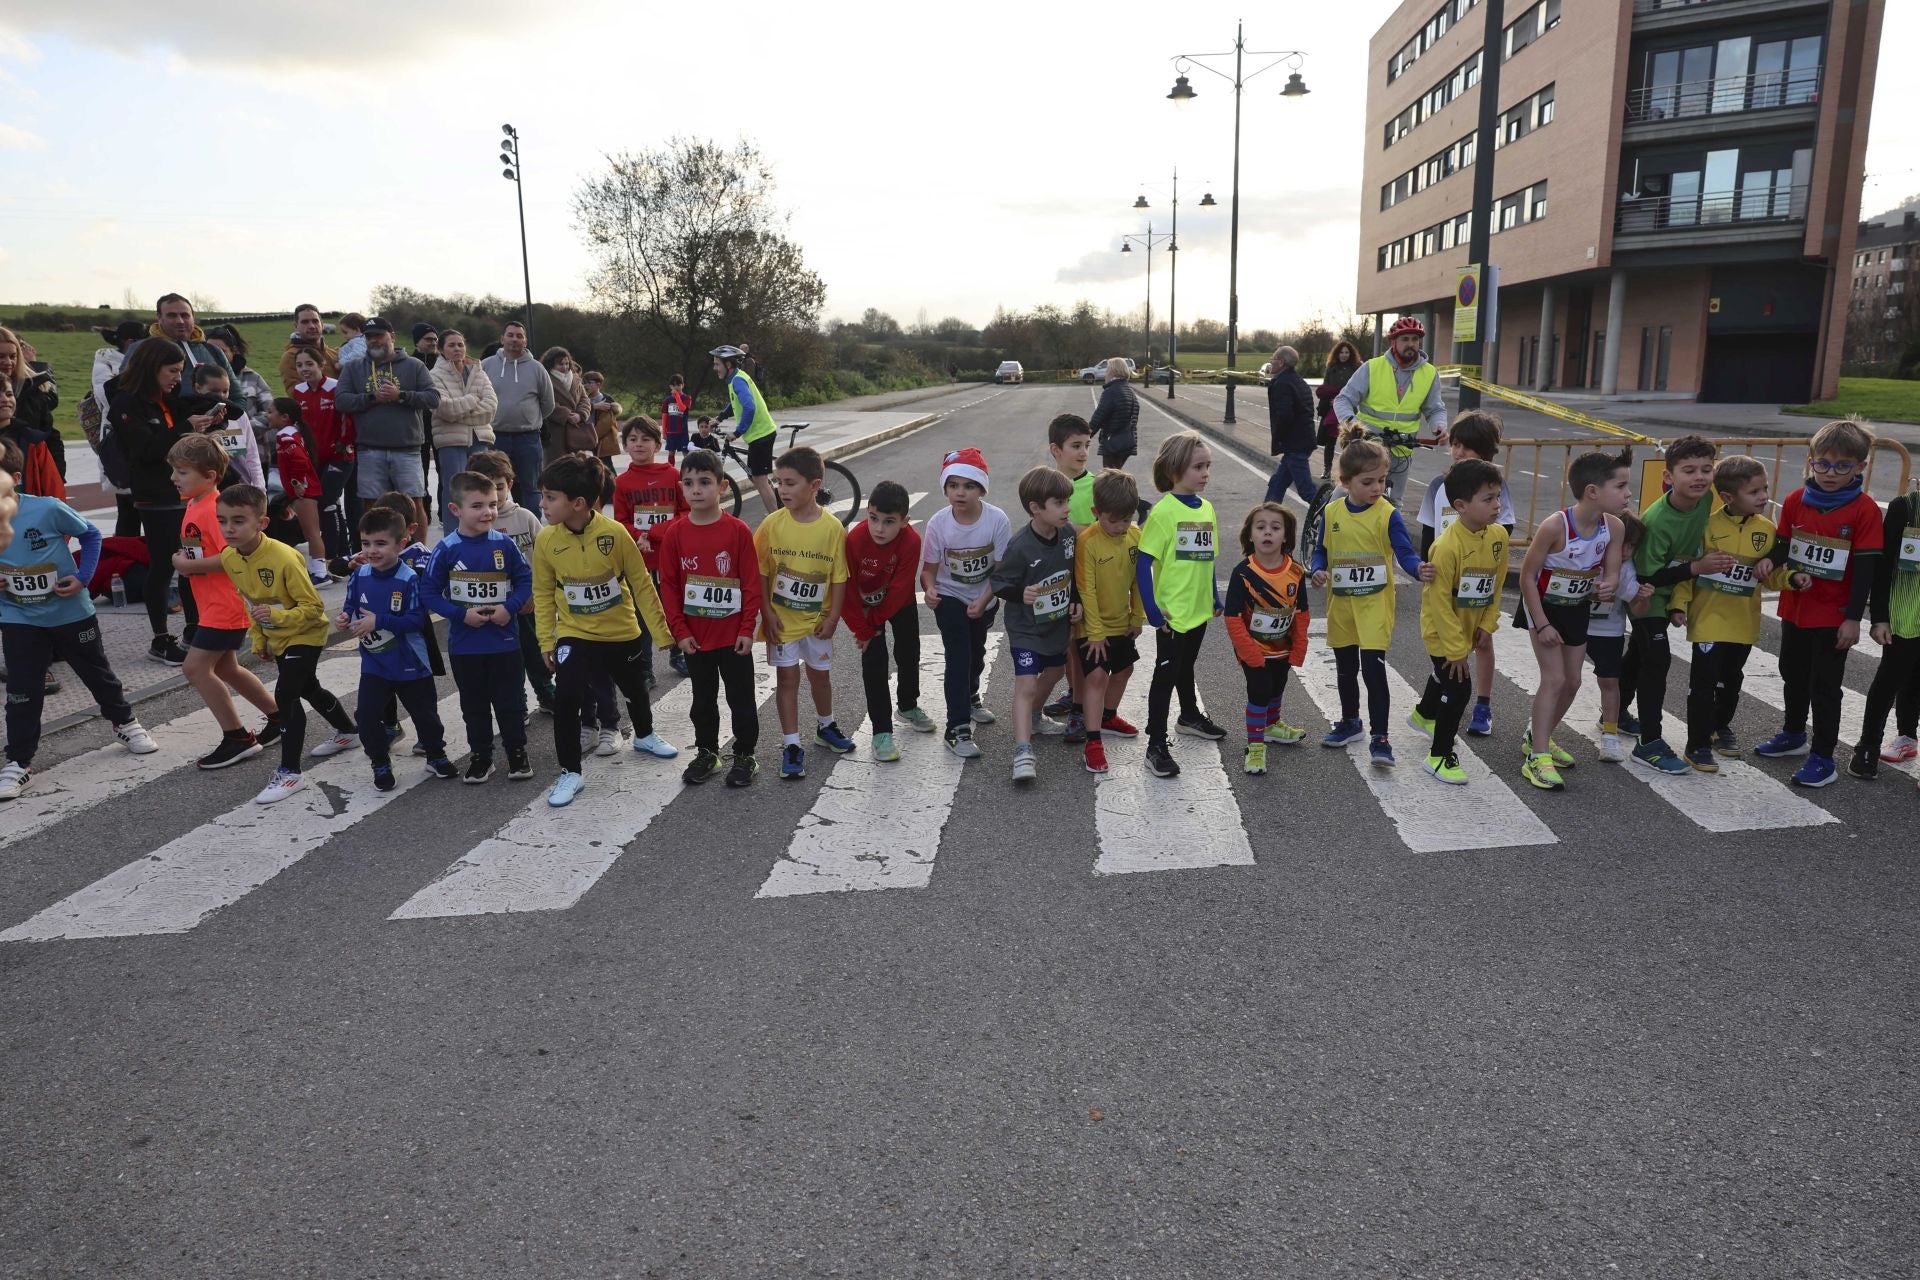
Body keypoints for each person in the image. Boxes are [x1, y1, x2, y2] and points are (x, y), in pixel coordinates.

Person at [0, 439, 157, 801]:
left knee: (96, 674)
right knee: (23, 689)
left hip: (70, 612)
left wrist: (84, 577)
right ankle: (19, 762)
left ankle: (125, 722)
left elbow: (89, 535)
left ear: (17, 479)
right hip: (19, 615)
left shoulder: (47, 509)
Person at [531, 453, 678, 808]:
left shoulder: (615, 534)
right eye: (543, 496)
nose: (543, 504)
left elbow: (642, 583)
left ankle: (644, 735)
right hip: (574, 633)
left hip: (620, 631)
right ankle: (571, 771)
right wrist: (546, 641)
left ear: (578, 503)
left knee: (635, 689)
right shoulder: (547, 540)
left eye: (551, 497)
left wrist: (662, 634)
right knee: (566, 698)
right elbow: (542, 592)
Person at [1753, 418, 1885, 787]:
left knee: (1824, 687)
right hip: (1796, 607)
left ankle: (1823, 757)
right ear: (1811, 461)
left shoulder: (1864, 510)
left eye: (1842, 466)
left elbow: (1865, 570)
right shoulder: (1796, 500)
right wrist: (1771, 561)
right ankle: (1794, 734)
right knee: (1792, 675)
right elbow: (1783, 544)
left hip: (1833, 614)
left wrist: (1852, 619)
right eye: (1822, 463)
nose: (1830, 473)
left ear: (1861, 467)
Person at [215, 484, 360, 804]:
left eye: (238, 521)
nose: (229, 529)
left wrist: (276, 620)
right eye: (222, 520)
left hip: (306, 634)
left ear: (262, 523)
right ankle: (349, 732)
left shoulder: (285, 557)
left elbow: (313, 608)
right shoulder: (229, 557)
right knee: (309, 688)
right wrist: (260, 637)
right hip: (278, 636)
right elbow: (251, 601)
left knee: (286, 694)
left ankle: (290, 773)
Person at [1668, 457, 1801, 774]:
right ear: (1728, 497)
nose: (1763, 496)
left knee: (1731, 681)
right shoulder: (1707, 527)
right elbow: (1689, 571)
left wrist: (1791, 579)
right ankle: (1697, 744)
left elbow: (1770, 577)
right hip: (1709, 621)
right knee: (1703, 683)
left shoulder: (1767, 532)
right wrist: (1678, 604)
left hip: (1743, 623)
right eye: (1754, 491)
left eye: (1765, 488)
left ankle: (1719, 726)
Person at [1310, 430, 1434, 765]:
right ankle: (1350, 721)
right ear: (1346, 481)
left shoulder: (1387, 514)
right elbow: (1320, 552)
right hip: (1343, 606)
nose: (1378, 488)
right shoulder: (1332, 513)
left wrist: (1418, 569)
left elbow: (1404, 553)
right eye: (1368, 482)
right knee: (1346, 669)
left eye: (1381, 480)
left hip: (1375, 605)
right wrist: (1317, 570)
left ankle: (1381, 738)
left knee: (1373, 670)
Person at [1514, 450, 1630, 791]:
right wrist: (1542, 623)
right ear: (1593, 491)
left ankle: (1540, 734)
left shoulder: (1614, 527)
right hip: (1543, 609)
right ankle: (1536, 757)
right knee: (1554, 679)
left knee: (1574, 682)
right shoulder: (1555, 526)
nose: (1628, 494)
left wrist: (1605, 587)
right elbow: (1527, 577)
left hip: (1577, 609)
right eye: (1621, 486)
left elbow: (1609, 575)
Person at [163, 434, 281, 769]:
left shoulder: (215, 510)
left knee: (195, 668)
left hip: (225, 606)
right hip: (211, 605)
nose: (174, 478)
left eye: (182, 472)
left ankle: (238, 738)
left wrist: (188, 565)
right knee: (227, 668)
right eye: (174, 471)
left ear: (210, 476)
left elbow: (233, 554)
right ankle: (279, 717)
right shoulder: (195, 504)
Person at [421, 470, 535, 785]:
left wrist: (509, 608)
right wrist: (460, 615)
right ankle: (482, 757)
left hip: (505, 642)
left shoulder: (505, 545)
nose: (487, 512)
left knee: (510, 702)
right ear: (455, 510)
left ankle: (517, 753)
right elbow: (429, 593)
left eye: (492, 504)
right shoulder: (446, 549)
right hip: (465, 645)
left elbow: (525, 580)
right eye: (477, 506)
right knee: (474, 706)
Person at [657, 449, 763, 788]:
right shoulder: (675, 534)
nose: (696, 490)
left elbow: (750, 583)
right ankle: (707, 752)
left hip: (733, 638)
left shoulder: (738, 532)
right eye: (688, 483)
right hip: (696, 639)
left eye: (705, 482)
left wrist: (747, 628)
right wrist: (679, 630)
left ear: (722, 488)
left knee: (741, 699)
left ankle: (745, 754)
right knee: (702, 701)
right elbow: (669, 587)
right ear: (681, 488)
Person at [338, 506, 458, 792]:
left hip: (410, 662)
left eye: (381, 544)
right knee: (366, 715)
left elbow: (417, 620)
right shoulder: (359, 575)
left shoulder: (409, 579)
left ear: (400, 543)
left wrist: (379, 620)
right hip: (376, 664)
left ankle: (435, 754)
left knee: (425, 714)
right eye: (366, 543)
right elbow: (352, 605)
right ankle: (379, 761)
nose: (372, 551)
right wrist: (345, 617)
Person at [1622, 436, 1722, 775]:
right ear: (1668, 478)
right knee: (1656, 659)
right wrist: (1695, 568)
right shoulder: (1658, 520)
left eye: (1706, 470)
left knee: (1638, 654)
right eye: (1689, 470)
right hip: (1645, 597)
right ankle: (1649, 742)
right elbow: (1647, 576)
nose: (1699, 477)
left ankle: (1617, 713)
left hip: (1674, 593)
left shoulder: (1708, 498)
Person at [1406, 460, 1509, 785]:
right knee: (1459, 687)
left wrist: (1487, 623)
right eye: (1488, 499)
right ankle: (1439, 755)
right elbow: (1437, 602)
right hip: (1442, 631)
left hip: (1470, 625)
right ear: (1461, 506)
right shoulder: (1447, 546)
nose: (1497, 505)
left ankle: (1424, 713)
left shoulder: (1498, 537)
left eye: (1497, 496)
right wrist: (1454, 650)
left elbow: (1497, 584)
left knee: (1445, 677)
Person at [1415, 410, 1515, 739]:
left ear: (1484, 455)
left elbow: (1504, 528)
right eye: (1455, 445)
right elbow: (1429, 531)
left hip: (1477, 584)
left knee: (1480, 644)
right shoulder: (1437, 486)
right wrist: (1425, 566)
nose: (1458, 452)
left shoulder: (1493, 490)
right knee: (1449, 658)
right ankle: (1433, 726)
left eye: (1467, 448)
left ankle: (1483, 704)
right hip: (1446, 579)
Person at [755, 445, 853, 779]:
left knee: (820, 676)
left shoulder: (832, 529)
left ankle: (825, 727)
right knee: (787, 679)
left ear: (815, 485)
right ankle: (792, 744)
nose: (781, 489)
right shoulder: (770, 525)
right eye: (778, 482)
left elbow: (839, 577)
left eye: (790, 483)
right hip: (782, 623)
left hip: (817, 622)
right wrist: (766, 612)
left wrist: (833, 617)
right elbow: (760, 573)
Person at [105, 337, 204, 664]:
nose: (178, 377)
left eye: (180, 370)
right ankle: (161, 639)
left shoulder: (168, 399)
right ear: (152, 368)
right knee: (164, 565)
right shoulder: (126, 403)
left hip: (185, 491)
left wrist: (210, 416)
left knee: (191, 561)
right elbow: (146, 451)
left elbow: (185, 421)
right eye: (172, 371)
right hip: (156, 496)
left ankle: (194, 628)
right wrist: (185, 429)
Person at [1137, 432, 1227, 779]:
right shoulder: (1163, 513)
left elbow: (1209, 557)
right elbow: (1143, 563)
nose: (1205, 473)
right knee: (1165, 675)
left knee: (1186, 665)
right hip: (1172, 614)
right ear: (1175, 469)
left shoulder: (1207, 508)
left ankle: (1188, 715)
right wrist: (1152, 609)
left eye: (1208, 466)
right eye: (1198, 467)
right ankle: (1155, 744)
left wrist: (1214, 596)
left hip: (1198, 608)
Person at [991, 467, 1079, 786]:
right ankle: (1023, 751)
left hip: (1056, 627)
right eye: (1059, 502)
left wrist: (1077, 600)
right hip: (1026, 630)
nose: (1067, 508)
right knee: (1026, 684)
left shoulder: (1068, 535)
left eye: (1067, 500)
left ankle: (1034, 716)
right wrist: (1020, 593)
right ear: (1035, 508)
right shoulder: (1020, 546)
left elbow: (1074, 573)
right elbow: (999, 583)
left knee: (1055, 671)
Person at [920, 448, 1010, 759]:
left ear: (981, 489)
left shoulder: (996, 520)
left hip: (984, 598)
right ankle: (956, 728)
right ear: (945, 488)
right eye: (953, 485)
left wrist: (986, 598)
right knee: (958, 656)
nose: (960, 493)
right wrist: (930, 591)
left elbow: (1001, 571)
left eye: (969, 486)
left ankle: (971, 697)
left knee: (977, 653)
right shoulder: (938, 523)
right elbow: (929, 571)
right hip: (951, 597)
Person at [845, 480, 930, 764]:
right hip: (865, 608)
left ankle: (907, 706)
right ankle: (881, 732)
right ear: (867, 513)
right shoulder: (855, 540)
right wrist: (864, 629)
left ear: (905, 521)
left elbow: (900, 588)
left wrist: (878, 621)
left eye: (889, 522)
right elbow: (845, 590)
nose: (879, 528)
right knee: (875, 665)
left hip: (898, 603)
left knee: (909, 653)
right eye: (874, 519)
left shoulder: (912, 541)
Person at [1224, 501, 1311, 778]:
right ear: (1250, 535)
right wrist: (1248, 651)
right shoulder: (1243, 572)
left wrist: (1299, 647)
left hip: (1281, 648)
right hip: (1254, 650)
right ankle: (1255, 745)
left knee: (1278, 685)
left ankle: (1272, 726)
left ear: (1286, 536)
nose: (1267, 533)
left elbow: (1302, 612)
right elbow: (1232, 617)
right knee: (1260, 691)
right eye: (1260, 527)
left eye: (1275, 527)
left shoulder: (1295, 571)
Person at [465, 449, 553, 714]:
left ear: (510, 485)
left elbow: (542, 558)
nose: (494, 495)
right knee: (506, 660)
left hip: (526, 603)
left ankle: (546, 693)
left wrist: (535, 594)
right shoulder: (473, 522)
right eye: (484, 488)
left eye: (499, 487)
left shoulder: (524, 517)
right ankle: (517, 705)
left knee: (535, 651)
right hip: (494, 606)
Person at [1072, 470, 1146, 774]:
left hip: (1121, 622)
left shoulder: (1136, 536)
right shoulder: (1087, 541)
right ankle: (1093, 741)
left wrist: (1137, 616)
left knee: (1125, 669)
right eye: (1113, 520)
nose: (1120, 527)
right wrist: (1096, 634)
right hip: (1091, 627)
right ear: (1095, 513)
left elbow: (1139, 582)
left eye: (1126, 519)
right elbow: (1085, 588)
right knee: (1097, 677)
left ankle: (1108, 716)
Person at [335, 318, 437, 533]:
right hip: (369, 449)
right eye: (369, 337)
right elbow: (341, 401)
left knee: (415, 503)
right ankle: (375, 554)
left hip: (407, 449)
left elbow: (433, 398)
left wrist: (400, 396)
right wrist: (372, 398)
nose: (374, 341)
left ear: (392, 336)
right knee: (372, 505)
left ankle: (420, 555)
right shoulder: (353, 367)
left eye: (379, 335)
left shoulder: (414, 365)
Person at [1333, 315, 1448, 504]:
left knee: (1394, 503)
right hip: (1369, 444)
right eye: (1405, 339)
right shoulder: (1372, 367)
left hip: (1402, 449)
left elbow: (1435, 408)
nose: (1410, 344)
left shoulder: (1429, 373)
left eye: (1415, 339)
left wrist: (1440, 426)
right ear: (1393, 341)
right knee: (1347, 493)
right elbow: (1343, 400)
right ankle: (1326, 524)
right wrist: (1352, 423)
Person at [612, 417, 689, 678]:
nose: (639, 444)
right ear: (625, 446)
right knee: (642, 612)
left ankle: (679, 653)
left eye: (645, 439)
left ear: (658, 445)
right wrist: (639, 536)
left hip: (670, 556)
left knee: (674, 606)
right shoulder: (622, 483)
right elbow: (621, 520)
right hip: (640, 558)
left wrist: (652, 533)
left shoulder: (673, 475)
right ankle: (645, 667)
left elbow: (685, 512)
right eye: (632, 439)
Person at [1855, 478, 1920, 779]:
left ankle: (1908, 735)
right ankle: (1868, 747)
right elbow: (1881, 567)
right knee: (1890, 680)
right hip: (1905, 614)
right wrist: (1879, 616)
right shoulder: (1904, 508)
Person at [1585, 513, 1653, 763]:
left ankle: (1610, 735)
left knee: (1610, 681)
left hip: (1608, 630)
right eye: (1621, 542)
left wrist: (1643, 598)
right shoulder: (1586, 557)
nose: (1625, 550)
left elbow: (1637, 608)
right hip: (1575, 627)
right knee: (1561, 682)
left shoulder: (1626, 568)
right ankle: (1539, 730)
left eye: (1632, 545)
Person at [1044, 412, 1095, 739]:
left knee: (1079, 645)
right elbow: (1042, 528)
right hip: (1055, 577)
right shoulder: (1045, 484)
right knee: (1060, 646)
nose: (1083, 452)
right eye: (1075, 445)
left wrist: (1072, 529)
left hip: (1087, 578)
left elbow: (1106, 528)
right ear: (1055, 449)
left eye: (1087, 445)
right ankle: (1071, 693)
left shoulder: (1096, 485)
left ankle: (1079, 707)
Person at [288, 347, 355, 567]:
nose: (304, 369)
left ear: (321, 365)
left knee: (325, 500)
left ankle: (333, 554)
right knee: (327, 503)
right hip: (314, 459)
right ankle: (341, 553)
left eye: (309, 364)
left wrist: (343, 444)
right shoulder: (298, 391)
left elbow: (347, 420)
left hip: (340, 457)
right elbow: (298, 424)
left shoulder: (336, 388)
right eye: (299, 365)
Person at [427, 329, 498, 533]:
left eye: (460, 344)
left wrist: (462, 410)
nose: (457, 348)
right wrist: (472, 400)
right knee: (455, 492)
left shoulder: (478, 370)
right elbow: (445, 409)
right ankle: (453, 537)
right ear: (441, 350)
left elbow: (491, 407)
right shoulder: (433, 375)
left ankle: (481, 533)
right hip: (451, 442)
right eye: (451, 345)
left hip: (480, 439)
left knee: (482, 490)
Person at [483, 322, 554, 511]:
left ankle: (532, 531)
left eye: (519, 336)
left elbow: (548, 404)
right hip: (495, 438)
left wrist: (529, 419)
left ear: (525, 341)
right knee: (493, 487)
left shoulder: (537, 369)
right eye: (510, 335)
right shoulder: (486, 365)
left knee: (531, 488)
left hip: (528, 439)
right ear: (502, 339)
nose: (515, 339)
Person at [89, 320, 147, 536]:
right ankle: (126, 561)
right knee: (127, 509)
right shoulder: (105, 362)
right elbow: (107, 396)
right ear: (131, 342)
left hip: (143, 435)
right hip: (118, 435)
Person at [266, 396, 332, 583]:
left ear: (284, 417)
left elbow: (300, 460)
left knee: (311, 532)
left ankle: (320, 573)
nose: (267, 415)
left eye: (271, 412)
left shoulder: (285, 436)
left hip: (304, 491)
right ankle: (316, 570)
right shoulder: (293, 432)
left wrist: (297, 484)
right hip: (306, 489)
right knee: (311, 531)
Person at [711, 344, 780, 514]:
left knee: (759, 479)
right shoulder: (735, 379)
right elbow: (735, 403)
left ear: (728, 365)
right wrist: (720, 417)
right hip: (759, 434)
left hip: (761, 434)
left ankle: (776, 520)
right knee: (755, 477)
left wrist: (737, 432)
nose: (714, 368)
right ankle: (777, 505)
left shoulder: (738, 380)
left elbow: (749, 407)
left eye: (717, 364)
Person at [178, 364, 264, 489]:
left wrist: (259, 487)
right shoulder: (191, 417)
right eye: (214, 391)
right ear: (198, 387)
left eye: (225, 391)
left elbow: (251, 454)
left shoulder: (238, 415)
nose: (221, 396)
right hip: (206, 489)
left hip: (241, 489)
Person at [0, 325, 64, 484]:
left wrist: (57, 478)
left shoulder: (33, 390)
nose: (8, 362)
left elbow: (49, 435)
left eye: (13, 356)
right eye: (1, 356)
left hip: (28, 479)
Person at [126, 293, 236, 384]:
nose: (180, 321)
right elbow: (126, 390)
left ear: (193, 316)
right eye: (172, 315)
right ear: (159, 318)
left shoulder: (213, 351)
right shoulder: (140, 349)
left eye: (185, 315)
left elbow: (236, 395)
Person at [203, 325, 275, 462]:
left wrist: (241, 430)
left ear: (233, 351)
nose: (215, 356)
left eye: (221, 351)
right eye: (209, 351)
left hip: (254, 457)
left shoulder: (253, 378)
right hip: (213, 460)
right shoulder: (197, 380)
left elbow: (271, 413)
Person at [1263, 346, 1316, 507]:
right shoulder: (1297, 380)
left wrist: (1278, 437)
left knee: (1306, 490)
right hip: (1302, 440)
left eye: (1273, 358)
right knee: (1277, 484)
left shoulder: (1283, 384)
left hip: (1295, 443)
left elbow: (1284, 415)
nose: (1271, 362)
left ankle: (1331, 515)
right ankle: (1267, 515)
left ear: (1281, 362)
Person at [0, 384, 62, 511]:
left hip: (26, 519)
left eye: (9, 394)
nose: (5, 399)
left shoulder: (33, 441)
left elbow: (52, 487)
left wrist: (58, 524)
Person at [1316, 340, 1362, 480]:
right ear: (1337, 353)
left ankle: (1348, 470)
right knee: (1330, 441)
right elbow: (1325, 387)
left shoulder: (1356, 368)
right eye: (1341, 352)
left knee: (1349, 441)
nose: (1344, 355)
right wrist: (1330, 399)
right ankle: (1327, 469)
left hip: (1349, 410)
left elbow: (1359, 389)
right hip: (1331, 409)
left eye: (1347, 352)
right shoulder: (1331, 367)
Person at [539, 348, 593, 465]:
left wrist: (580, 415)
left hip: (576, 431)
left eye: (567, 363)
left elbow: (585, 400)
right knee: (556, 467)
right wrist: (566, 415)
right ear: (551, 364)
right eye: (560, 364)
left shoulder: (576, 379)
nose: (564, 367)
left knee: (577, 466)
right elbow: (545, 401)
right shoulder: (544, 379)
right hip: (554, 432)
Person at [1087, 357, 1140, 473]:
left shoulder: (1111, 392)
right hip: (1128, 442)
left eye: (1107, 371)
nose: (1105, 374)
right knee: (1116, 474)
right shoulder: (1130, 392)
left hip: (1112, 443)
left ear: (1112, 372)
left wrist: (1085, 437)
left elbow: (1098, 417)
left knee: (1109, 477)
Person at [278, 303, 339, 394]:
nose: (311, 326)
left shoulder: (335, 354)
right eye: (305, 322)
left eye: (315, 321)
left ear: (322, 325)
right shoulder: (291, 356)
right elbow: (296, 394)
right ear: (296, 326)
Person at [660, 374, 691, 465]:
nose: (676, 387)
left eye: (678, 384)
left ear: (682, 385)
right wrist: (664, 432)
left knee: (685, 453)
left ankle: (687, 470)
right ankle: (671, 470)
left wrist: (677, 396)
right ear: (670, 386)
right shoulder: (667, 400)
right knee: (671, 452)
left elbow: (682, 408)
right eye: (674, 385)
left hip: (682, 432)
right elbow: (664, 416)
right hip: (671, 432)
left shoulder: (687, 398)